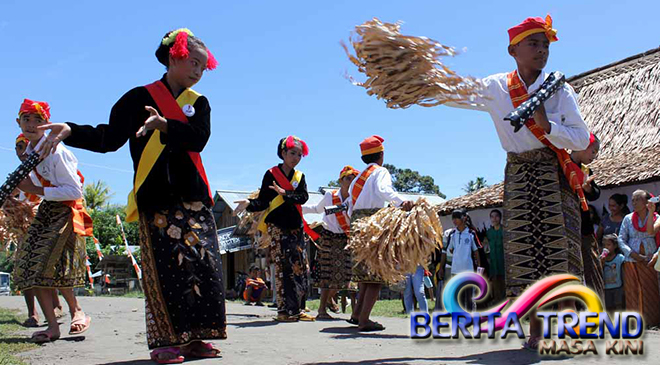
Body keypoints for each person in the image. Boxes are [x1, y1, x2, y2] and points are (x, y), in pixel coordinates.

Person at [38, 29, 225, 362]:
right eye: (192, 62)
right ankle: (165, 341)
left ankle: (197, 338)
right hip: (156, 198)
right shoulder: (138, 98)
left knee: (203, 268)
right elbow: (108, 138)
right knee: (165, 271)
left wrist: (164, 125)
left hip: (195, 197)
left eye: (202, 65)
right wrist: (70, 129)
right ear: (173, 57)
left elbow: (198, 139)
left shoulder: (199, 103)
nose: (198, 71)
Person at [445, 15, 591, 349]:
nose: (542, 51)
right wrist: (420, 82)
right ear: (513, 50)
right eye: (533, 44)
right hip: (519, 175)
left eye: (545, 45)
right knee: (526, 255)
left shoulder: (560, 88)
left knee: (559, 254)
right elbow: (456, 93)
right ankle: (537, 331)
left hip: (552, 175)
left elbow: (582, 138)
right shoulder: (496, 86)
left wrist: (548, 125)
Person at [12, 99, 93, 343]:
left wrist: (36, 190)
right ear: (18, 122)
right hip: (48, 207)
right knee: (31, 264)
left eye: (38, 120)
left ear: (47, 125)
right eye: (26, 119)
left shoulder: (56, 151)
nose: (32, 125)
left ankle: (77, 310)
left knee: (54, 265)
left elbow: (74, 191)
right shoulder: (28, 151)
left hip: (66, 208)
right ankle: (53, 327)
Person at [234, 136, 316, 322]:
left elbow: (303, 197)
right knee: (282, 267)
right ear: (283, 153)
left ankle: (298, 308)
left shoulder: (299, 177)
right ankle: (284, 311)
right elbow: (263, 200)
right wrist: (248, 203)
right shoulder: (271, 174)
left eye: (299, 154)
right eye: (292, 153)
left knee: (299, 267)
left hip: (296, 226)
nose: (296, 157)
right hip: (278, 227)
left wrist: (285, 193)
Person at [346, 135, 413, 331]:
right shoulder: (380, 171)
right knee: (375, 274)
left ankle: (357, 314)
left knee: (364, 275)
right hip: (372, 223)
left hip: (357, 223)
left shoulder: (358, 178)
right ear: (381, 155)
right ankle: (365, 320)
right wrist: (402, 203)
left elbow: (350, 205)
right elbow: (385, 189)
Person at [11, 134, 66, 328]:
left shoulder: (43, 167)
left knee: (47, 267)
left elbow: (53, 190)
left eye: (24, 146)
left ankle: (58, 306)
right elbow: (12, 196)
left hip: (46, 222)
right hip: (25, 228)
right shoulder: (18, 174)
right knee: (26, 268)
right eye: (18, 148)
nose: (21, 151)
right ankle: (33, 313)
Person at [302, 165, 360, 320]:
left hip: (345, 239)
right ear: (341, 181)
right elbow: (317, 209)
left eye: (354, 179)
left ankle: (341, 305)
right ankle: (322, 310)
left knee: (347, 275)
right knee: (327, 274)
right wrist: (298, 209)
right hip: (328, 237)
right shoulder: (330, 195)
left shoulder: (356, 199)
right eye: (348, 178)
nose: (351, 181)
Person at [617, 190, 660, 326]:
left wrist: (656, 254)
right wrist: (632, 253)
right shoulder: (628, 218)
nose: (634, 203)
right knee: (632, 290)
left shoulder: (656, 218)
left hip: (649, 258)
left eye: (637, 199)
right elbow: (621, 239)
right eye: (633, 200)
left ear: (647, 202)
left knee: (650, 290)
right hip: (631, 260)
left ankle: (652, 320)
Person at [570, 133, 605, 299]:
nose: (594, 156)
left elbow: (595, 194)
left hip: (584, 228)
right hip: (564, 228)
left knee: (592, 268)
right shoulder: (561, 164)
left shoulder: (585, 170)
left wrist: (588, 188)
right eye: (593, 151)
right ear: (584, 145)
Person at [446, 209, 481, 312]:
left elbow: (476, 251)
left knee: (469, 296)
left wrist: (478, 266)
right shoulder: (452, 233)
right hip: (455, 270)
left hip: (468, 269)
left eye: (457, 217)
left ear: (464, 218)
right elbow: (451, 248)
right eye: (453, 218)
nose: (455, 220)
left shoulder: (471, 233)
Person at [600, 234, 625, 313]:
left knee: (619, 305)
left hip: (618, 287)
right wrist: (601, 263)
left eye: (608, 245)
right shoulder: (601, 259)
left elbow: (624, 272)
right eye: (604, 245)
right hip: (606, 288)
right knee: (609, 307)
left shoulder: (620, 258)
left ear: (615, 246)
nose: (606, 247)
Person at [485, 209, 505, 303]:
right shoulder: (489, 232)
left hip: (504, 263)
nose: (494, 219)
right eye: (492, 217)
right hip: (494, 264)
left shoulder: (505, 230)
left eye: (496, 216)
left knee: (505, 285)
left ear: (500, 218)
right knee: (496, 287)